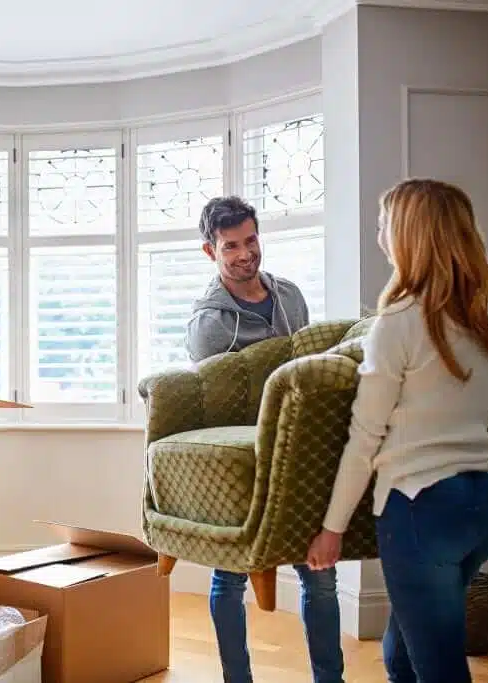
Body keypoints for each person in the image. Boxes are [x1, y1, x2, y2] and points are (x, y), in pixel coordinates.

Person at [307, 178, 488, 683]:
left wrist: (331, 529)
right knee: (403, 654)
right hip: (481, 503)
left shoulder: (397, 321)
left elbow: (365, 435)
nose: (379, 233)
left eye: (384, 224)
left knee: (438, 668)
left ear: (408, 236)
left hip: (421, 511)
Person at [186, 196, 345, 683]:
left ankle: (330, 679)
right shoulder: (208, 325)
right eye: (230, 245)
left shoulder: (292, 296)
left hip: (302, 455)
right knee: (230, 575)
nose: (244, 253)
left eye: (250, 240)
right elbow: (216, 407)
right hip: (248, 463)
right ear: (211, 252)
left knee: (319, 576)